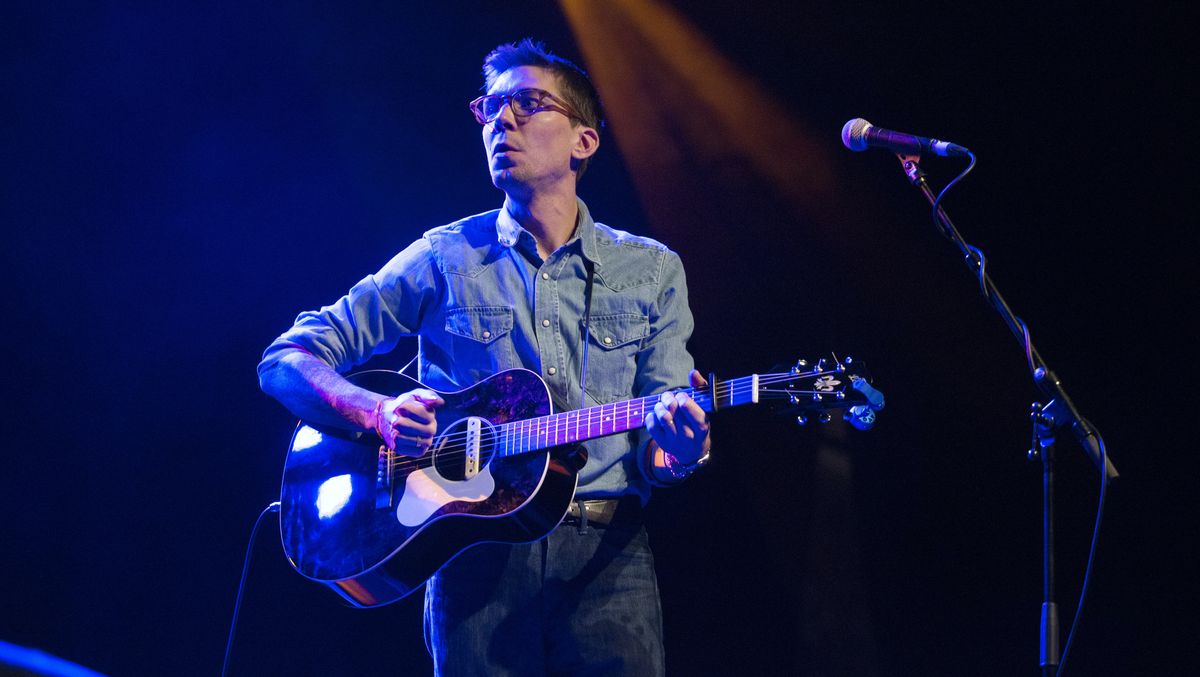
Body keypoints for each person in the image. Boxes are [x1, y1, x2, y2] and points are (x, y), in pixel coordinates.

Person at [258, 39, 710, 675]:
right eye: (490, 107)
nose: (502, 120)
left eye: (527, 103)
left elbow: (659, 447)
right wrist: (378, 413)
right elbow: (286, 358)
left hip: (609, 555)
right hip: (473, 558)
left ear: (585, 142)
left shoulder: (653, 269)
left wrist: (680, 450)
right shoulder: (444, 257)